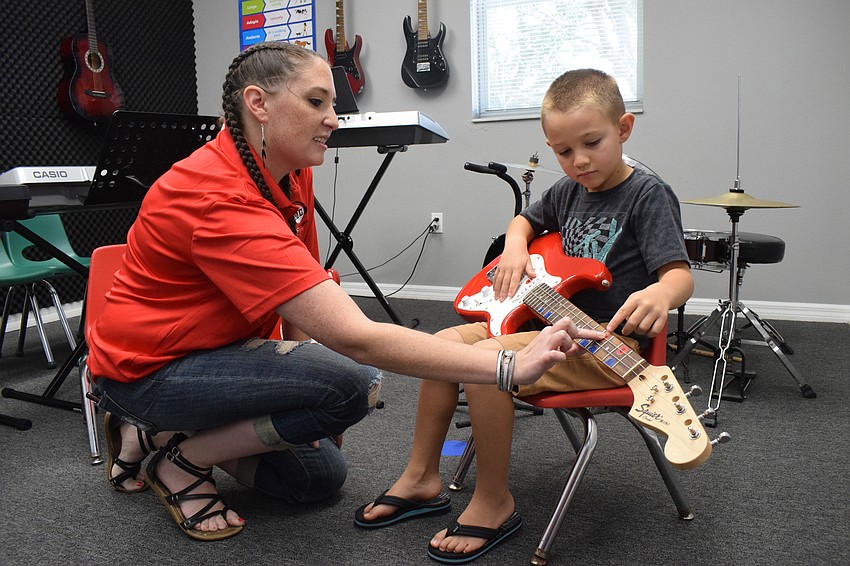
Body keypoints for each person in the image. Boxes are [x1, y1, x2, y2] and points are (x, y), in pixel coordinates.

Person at [88, 42, 604, 543]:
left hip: (220, 352)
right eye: (317, 101)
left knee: (316, 480)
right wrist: (508, 367)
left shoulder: (288, 170)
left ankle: (153, 436)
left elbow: (304, 289)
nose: (334, 117)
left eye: (333, 102)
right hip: (151, 371)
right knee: (354, 383)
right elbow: (354, 338)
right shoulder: (213, 196)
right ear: (258, 104)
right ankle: (184, 459)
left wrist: (298, 377)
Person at [355, 68, 694, 564]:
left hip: (603, 345)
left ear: (624, 128)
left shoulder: (647, 195)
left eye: (591, 143)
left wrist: (663, 294)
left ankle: (494, 500)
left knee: (491, 359)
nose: (577, 161)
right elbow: (524, 221)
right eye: (562, 151)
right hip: (540, 326)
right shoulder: (568, 192)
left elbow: (680, 275)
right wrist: (515, 248)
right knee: (441, 346)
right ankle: (423, 476)